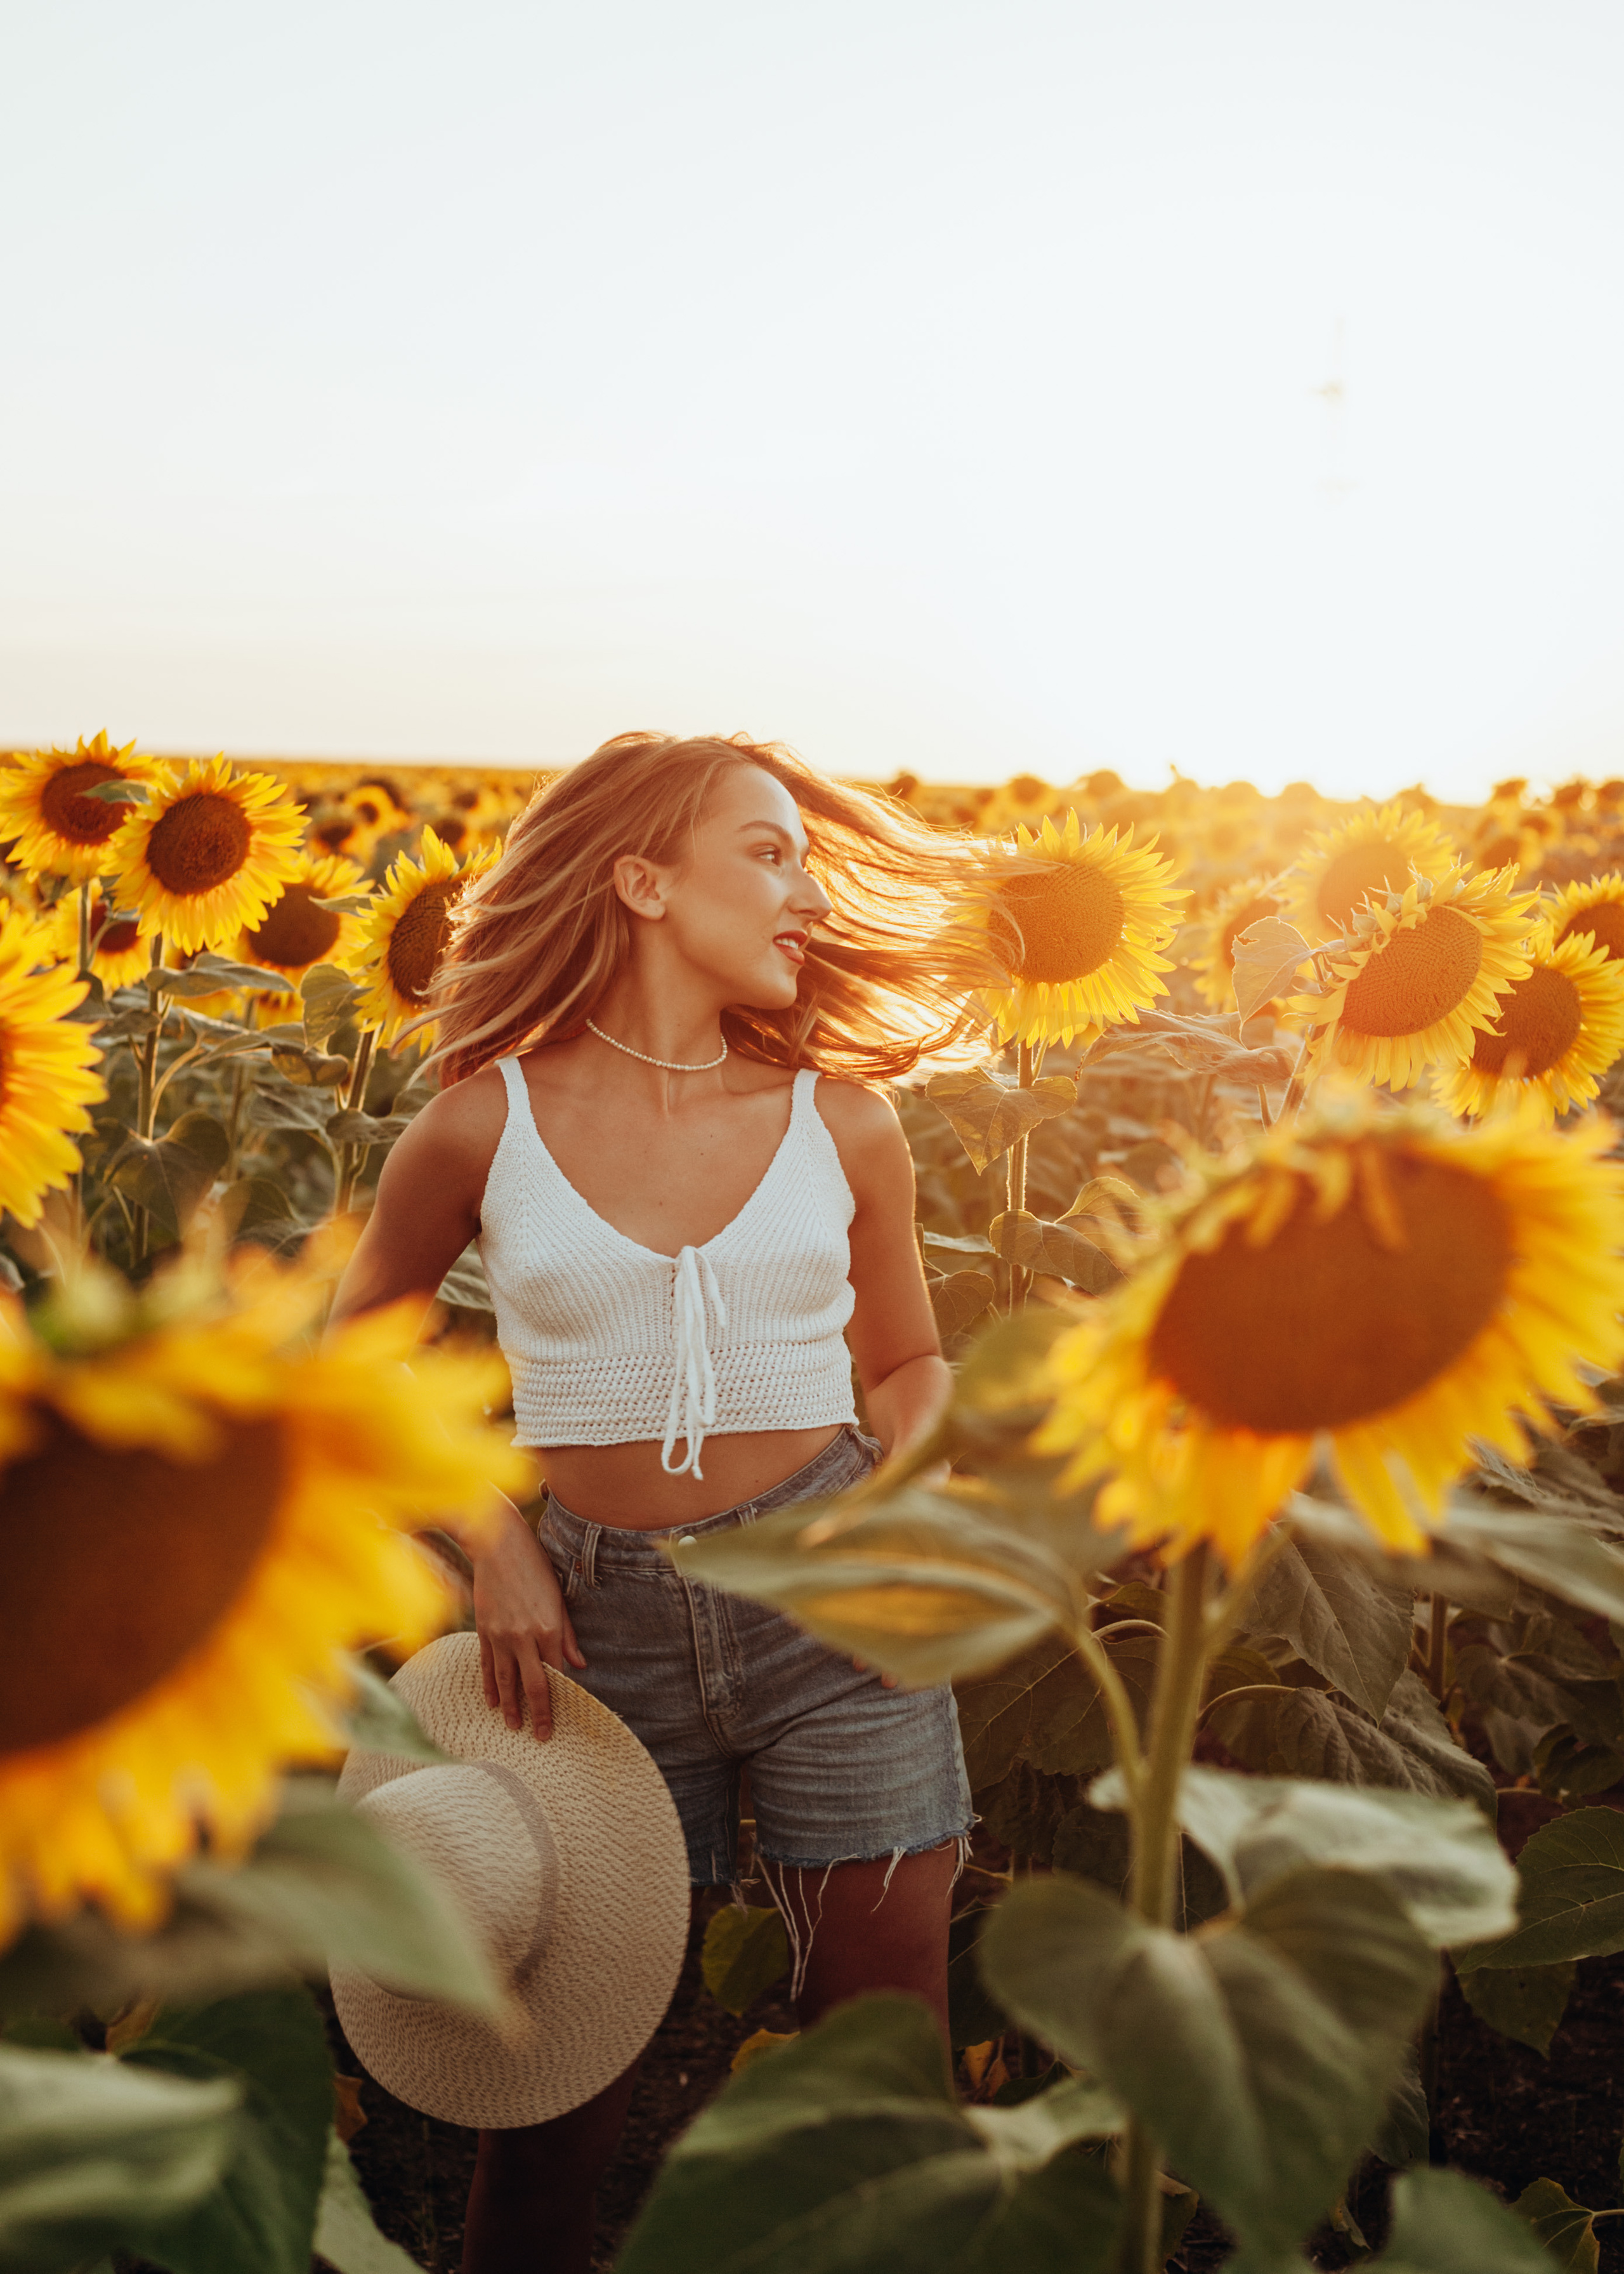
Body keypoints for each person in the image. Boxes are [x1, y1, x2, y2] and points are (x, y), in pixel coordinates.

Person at [331, 732, 987, 2274]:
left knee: (879, 2067)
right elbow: (354, 1358)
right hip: (588, 1632)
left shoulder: (843, 1119)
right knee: (553, 2101)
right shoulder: (481, 1122)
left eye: (805, 861)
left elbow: (905, 1361)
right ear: (640, 881)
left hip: (838, 1609)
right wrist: (492, 1539)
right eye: (766, 854)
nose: (807, 894)